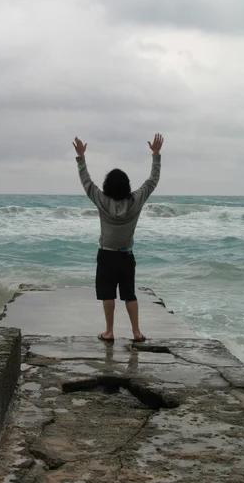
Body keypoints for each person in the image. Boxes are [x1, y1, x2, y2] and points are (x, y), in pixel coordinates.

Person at [73, 133, 163, 343]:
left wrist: (81, 158)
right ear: (127, 185)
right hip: (126, 255)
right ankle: (136, 333)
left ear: (107, 186)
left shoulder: (102, 200)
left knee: (108, 294)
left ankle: (109, 331)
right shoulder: (136, 200)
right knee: (129, 294)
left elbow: (86, 182)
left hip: (106, 254)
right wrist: (156, 155)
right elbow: (152, 181)